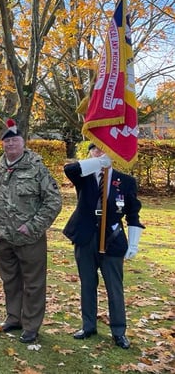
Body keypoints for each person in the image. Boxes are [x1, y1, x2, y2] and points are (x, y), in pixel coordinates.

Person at [0, 121, 62, 343]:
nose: (10, 144)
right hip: (4, 236)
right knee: (10, 281)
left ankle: (30, 325)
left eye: (14, 140)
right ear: (2, 144)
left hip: (29, 239)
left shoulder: (36, 168)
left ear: (23, 142)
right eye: (6, 141)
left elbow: (54, 201)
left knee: (33, 284)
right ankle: (14, 317)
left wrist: (33, 225)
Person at [63, 143, 144, 349]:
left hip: (112, 239)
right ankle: (88, 326)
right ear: (90, 153)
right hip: (86, 237)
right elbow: (69, 169)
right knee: (87, 284)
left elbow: (133, 214)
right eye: (95, 150)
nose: (98, 152)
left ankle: (119, 331)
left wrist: (134, 243)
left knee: (114, 287)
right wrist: (98, 162)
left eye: (103, 150)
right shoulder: (84, 178)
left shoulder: (125, 182)